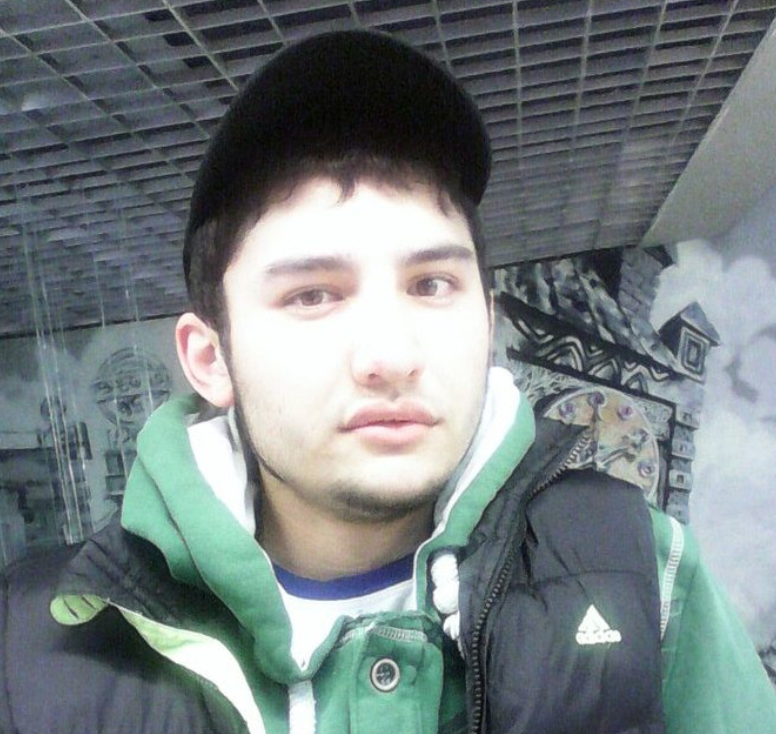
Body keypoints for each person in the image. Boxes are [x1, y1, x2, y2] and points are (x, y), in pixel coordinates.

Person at [1, 30, 774, 734]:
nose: (392, 354)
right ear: (210, 359)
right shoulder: (36, 644)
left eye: (432, 285)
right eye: (312, 295)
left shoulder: (645, 575)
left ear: (487, 321)